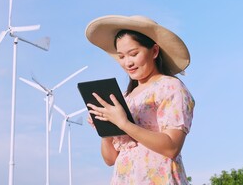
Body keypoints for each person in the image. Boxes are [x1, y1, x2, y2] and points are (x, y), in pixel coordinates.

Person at [84, 15, 195, 185]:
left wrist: (124, 123)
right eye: (121, 57)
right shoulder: (125, 97)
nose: (128, 63)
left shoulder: (170, 87)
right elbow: (110, 159)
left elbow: (172, 147)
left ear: (155, 51)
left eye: (133, 54)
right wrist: (106, 128)